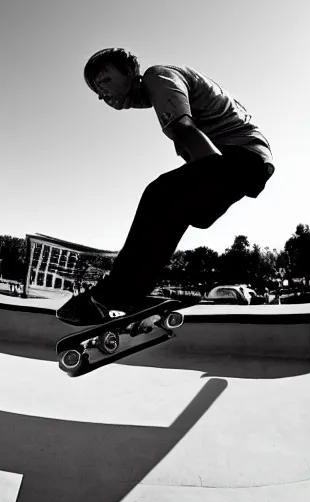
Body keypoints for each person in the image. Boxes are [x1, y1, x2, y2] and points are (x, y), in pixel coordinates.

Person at [56, 48, 275, 326]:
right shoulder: (165, 93)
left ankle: (114, 296)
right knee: (169, 201)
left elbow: (184, 130)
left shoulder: (157, 77)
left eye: (105, 82)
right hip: (247, 159)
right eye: (97, 91)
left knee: (160, 194)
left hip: (243, 156)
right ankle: (129, 294)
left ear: (130, 70)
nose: (102, 95)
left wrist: (212, 184)